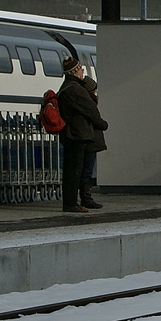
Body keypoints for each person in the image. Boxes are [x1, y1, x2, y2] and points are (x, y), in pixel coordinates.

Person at [57, 55, 107, 213]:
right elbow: (90, 110)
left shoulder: (66, 88)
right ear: (75, 71)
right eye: (80, 69)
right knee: (75, 170)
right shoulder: (75, 90)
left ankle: (72, 201)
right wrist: (102, 124)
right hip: (77, 135)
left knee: (73, 169)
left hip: (72, 134)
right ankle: (71, 203)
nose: (82, 71)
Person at [80, 75, 105, 209]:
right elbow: (97, 121)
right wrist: (104, 124)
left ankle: (85, 197)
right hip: (91, 140)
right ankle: (86, 198)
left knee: (84, 170)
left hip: (88, 140)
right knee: (87, 171)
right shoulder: (89, 103)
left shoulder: (84, 102)